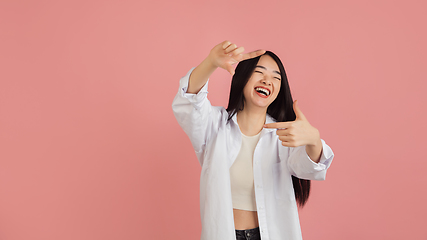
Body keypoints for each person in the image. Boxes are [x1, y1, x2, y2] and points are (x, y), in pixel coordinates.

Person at [172, 40, 334, 240]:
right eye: (260, 72)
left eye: (276, 77)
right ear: (243, 77)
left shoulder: (284, 135)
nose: (267, 80)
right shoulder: (214, 126)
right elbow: (189, 102)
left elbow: (310, 168)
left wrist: (313, 139)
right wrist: (211, 63)